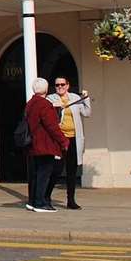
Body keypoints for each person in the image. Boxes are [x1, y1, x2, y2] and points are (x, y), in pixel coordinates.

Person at [23, 78, 65, 213]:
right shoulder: (44, 104)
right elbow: (52, 126)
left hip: (34, 144)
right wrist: (63, 140)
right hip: (45, 144)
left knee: (36, 174)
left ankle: (33, 201)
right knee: (44, 174)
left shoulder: (30, 103)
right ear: (46, 90)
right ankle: (40, 203)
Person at [50, 77, 92, 210]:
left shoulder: (75, 98)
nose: (60, 87)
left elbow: (87, 113)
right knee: (56, 169)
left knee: (71, 170)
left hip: (73, 138)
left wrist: (86, 99)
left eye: (62, 84)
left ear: (68, 85)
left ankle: (71, 200)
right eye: (57, 85)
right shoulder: (51, 99)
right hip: (59, 139)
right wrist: (56, 107)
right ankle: (46, 196)